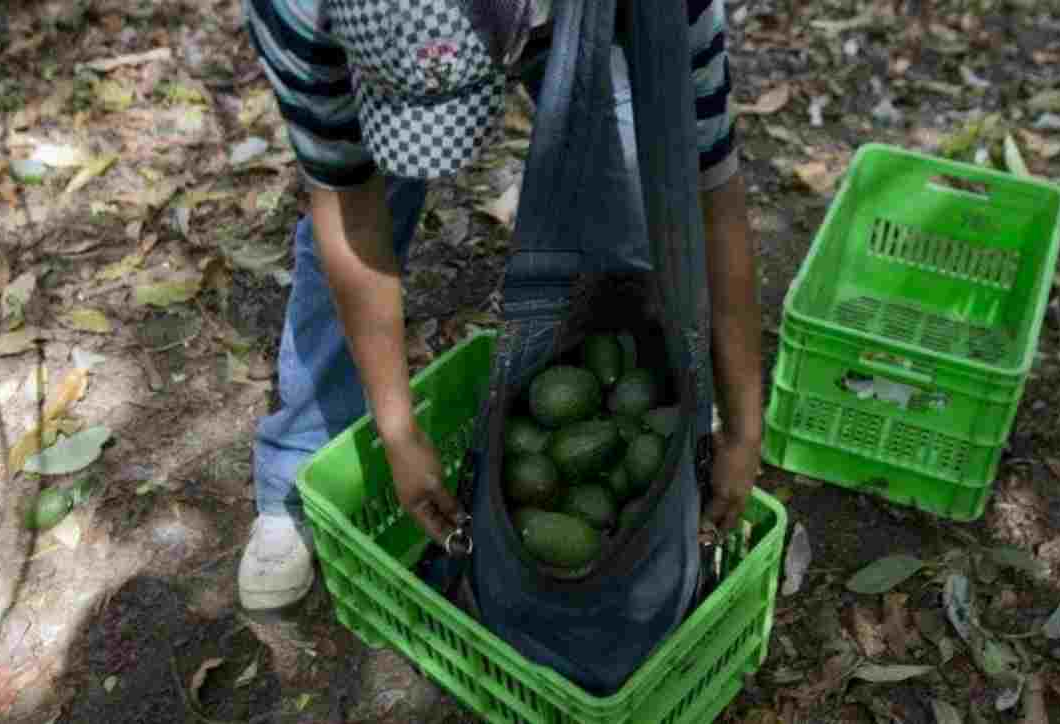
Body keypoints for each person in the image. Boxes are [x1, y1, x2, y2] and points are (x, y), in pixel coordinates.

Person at [237, 0, 762, 611]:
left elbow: (709, 195)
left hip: (586, 19)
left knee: (642, 201)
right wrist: (397, 428)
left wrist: (746, 428)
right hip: (380, 50)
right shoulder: (300, 12)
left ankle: (663, 430)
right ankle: (295, 470)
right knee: (372, 194)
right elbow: (346, 205)